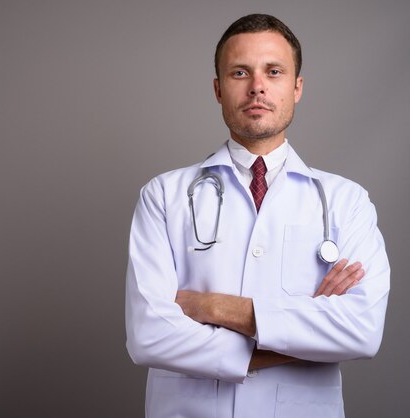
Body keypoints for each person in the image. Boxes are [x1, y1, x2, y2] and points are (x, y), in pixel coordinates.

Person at [125, 14, 389, 418]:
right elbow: (149, 337)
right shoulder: (163, 195)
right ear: (218, 89)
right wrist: (302, 337)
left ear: (297, 87)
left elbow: (362, 331)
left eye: (274, 71)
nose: (258, 86)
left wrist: (215, 307)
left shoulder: (346, 201)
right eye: (239, 72)